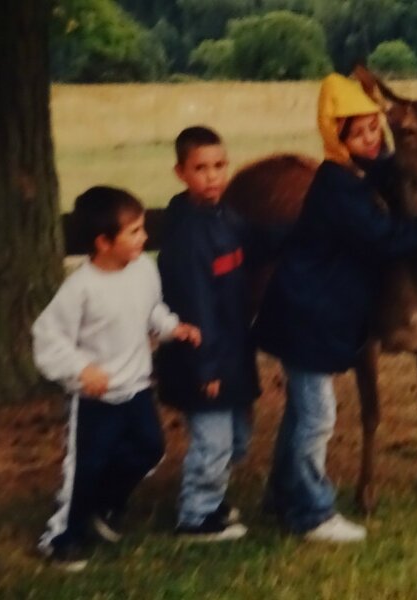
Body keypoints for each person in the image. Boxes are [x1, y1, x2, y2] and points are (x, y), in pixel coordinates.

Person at [254, 73, 417, 543]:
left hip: (307, 311)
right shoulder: (338, 188)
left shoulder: (365, 171)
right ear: (338, 139)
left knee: (300, 414)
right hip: (308, 315)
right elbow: (388, 240)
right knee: (317, 417)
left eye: (376, 129)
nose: (374, 140)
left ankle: (279, 494)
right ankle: (311, 512)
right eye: (362, 133)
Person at [32, 185, 201, 571]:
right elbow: (47, 338)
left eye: (143, 228)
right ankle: (61, 537)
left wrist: (174, 329)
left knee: (149, 449)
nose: (145, 237)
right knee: (85, 467)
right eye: (135, 232)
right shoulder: (81, 289)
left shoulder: (143, 269)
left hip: (137, 387)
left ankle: (103, 505)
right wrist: (81, 370)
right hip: (95, 399)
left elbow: (152, 310)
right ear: (103, 242)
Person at [155, 126, 259, 542]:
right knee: (213, 440)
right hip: (202, 359)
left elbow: (257, 241)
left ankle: (213, 499)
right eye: (200, 169)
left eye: (219, 166)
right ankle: (196, 516)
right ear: (181, 172)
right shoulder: (188, 236)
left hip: (232, 351)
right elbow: (194, 308)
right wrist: (205, 368)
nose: (212, 177)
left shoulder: (226, 216)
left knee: (237, 440)